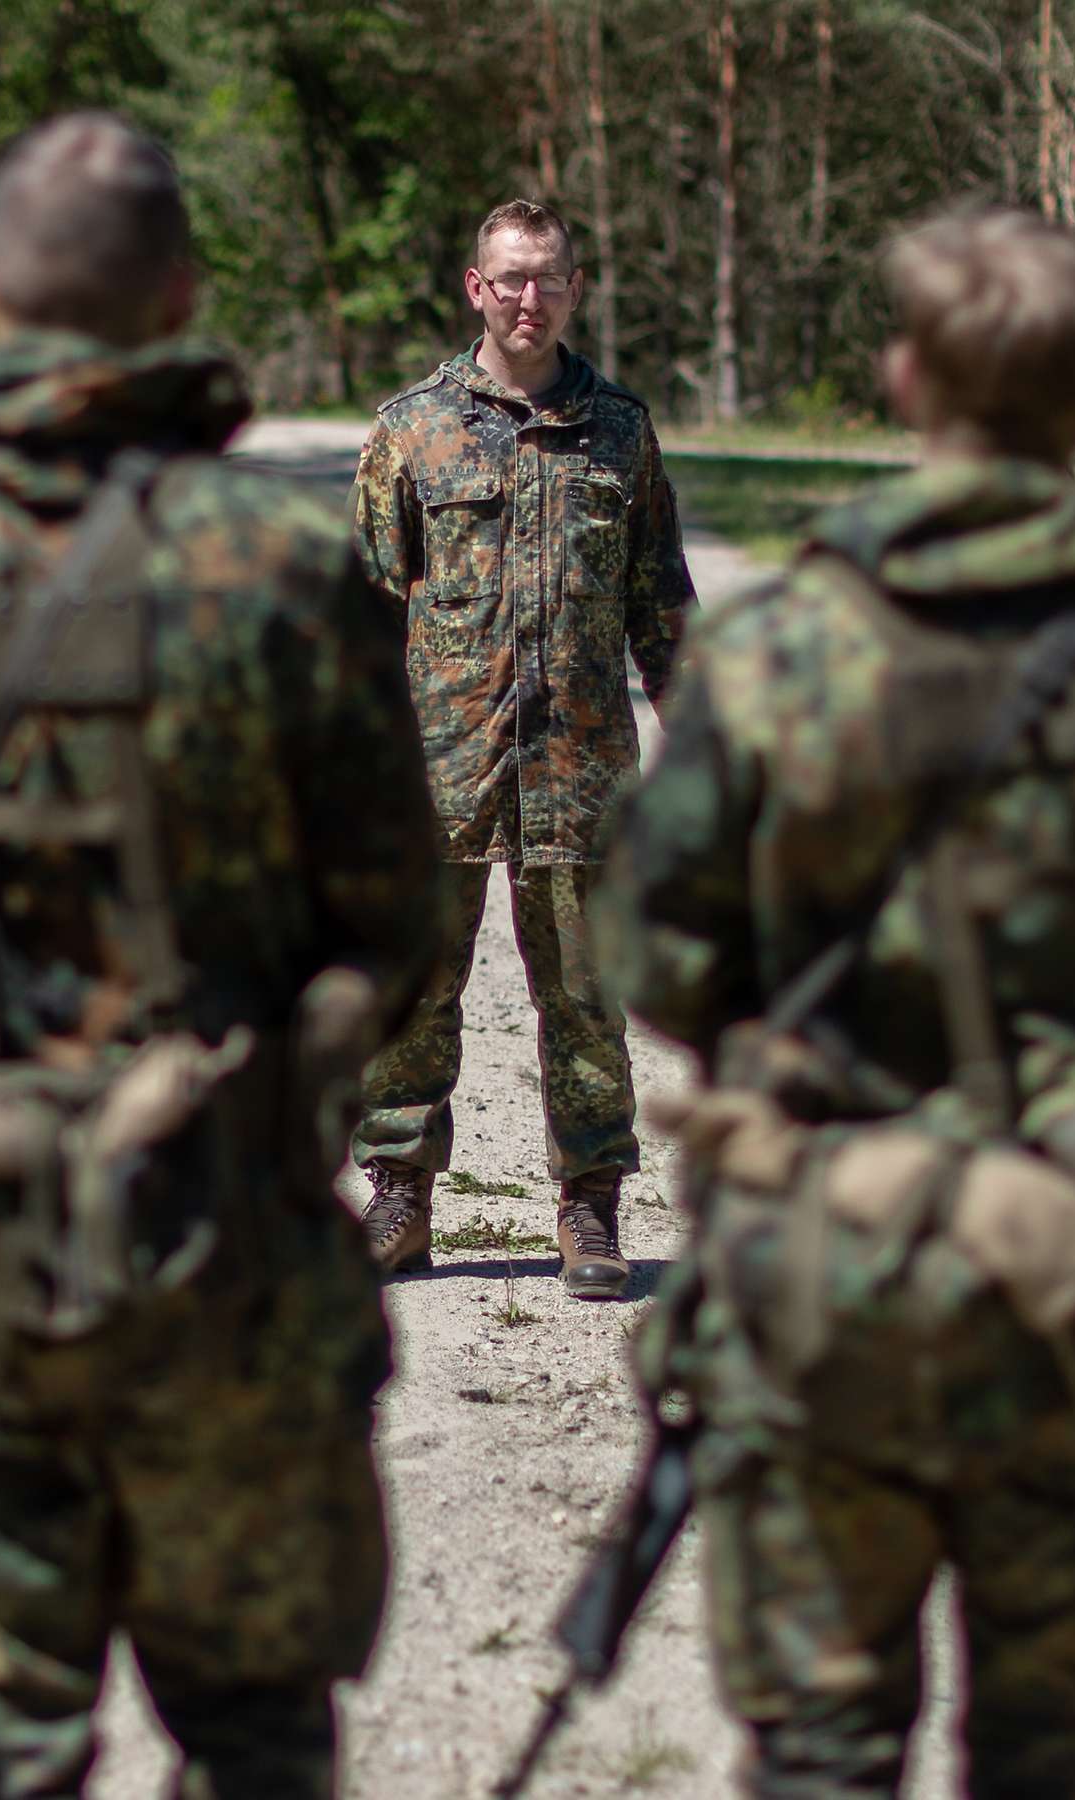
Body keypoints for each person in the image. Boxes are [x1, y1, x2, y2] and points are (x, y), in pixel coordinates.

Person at [0, 112, 441, 1797]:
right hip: (233, 1257)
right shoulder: (284, 569)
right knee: (260, 1720)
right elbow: (400, 934)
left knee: (12, 1718)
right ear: (181, 296)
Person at [598, 205, 1075, 1797]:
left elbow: (650, 965)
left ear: (905, 378)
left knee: (822, 1749)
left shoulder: (775, 657)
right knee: (1054, 1762)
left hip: (819, 1287)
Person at [349, 198, 696, 1299]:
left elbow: (662, 608)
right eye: (509, 279)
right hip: (435, 772)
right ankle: (399, 1197)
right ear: (473, 286)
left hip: (582, 771)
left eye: (547, 278)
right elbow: (364, 612)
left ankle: (589, 1210)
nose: (528, 299)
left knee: (586, 998)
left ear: (576, 287)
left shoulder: (621, 432)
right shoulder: (411, 429)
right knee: (413, 988)